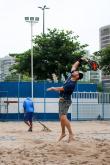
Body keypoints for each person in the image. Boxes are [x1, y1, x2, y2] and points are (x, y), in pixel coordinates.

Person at [47, 57, 85, 142]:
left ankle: (71, 133)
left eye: (76, 72)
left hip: (65, 101)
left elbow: (61, 88)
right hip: (62, 100)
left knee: (63, 117)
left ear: (77, 76)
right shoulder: (71, 76)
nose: (74, 71)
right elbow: (74, 66)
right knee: (61, 118)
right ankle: (63, 133)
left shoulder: (71, 84)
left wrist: (53, 88)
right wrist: (80, 60)